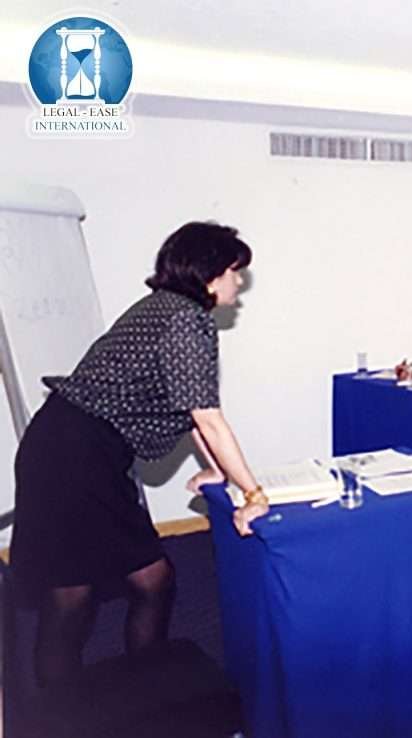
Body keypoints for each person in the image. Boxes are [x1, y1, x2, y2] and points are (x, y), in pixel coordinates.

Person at [10, 221, 267, 687]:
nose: (239, 282)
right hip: (77, 458)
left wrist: (213, 468)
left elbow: (186, 407)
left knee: (127, 583)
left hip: (71, 448)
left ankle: (139, 688)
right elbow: (207, 415)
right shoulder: (186, 319)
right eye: (234, 271)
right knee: (82, 592)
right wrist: (253, 492)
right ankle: (64, 710)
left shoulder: (162, 308)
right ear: (210, 272)